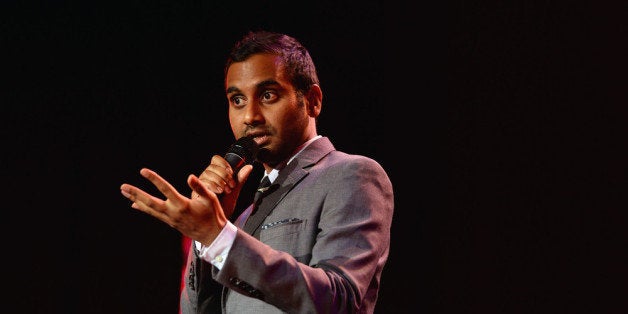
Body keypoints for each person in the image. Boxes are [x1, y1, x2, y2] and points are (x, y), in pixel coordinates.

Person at [119, 30, 394, 313]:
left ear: (313, 100)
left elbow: (339, 300)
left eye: (267, 95)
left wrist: (219, 236)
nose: (250, 116)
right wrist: (207, 236)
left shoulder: (352, 175)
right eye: (237, 100)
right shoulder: (241, 219)